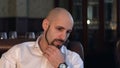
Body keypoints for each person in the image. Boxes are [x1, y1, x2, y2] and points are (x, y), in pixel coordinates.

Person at [0, 7, 83, 68]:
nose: (63, 37)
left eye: (68, 32)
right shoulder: (16, 53)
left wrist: (61, 65)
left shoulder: (73, 59)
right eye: (59, 29)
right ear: (45, 25)